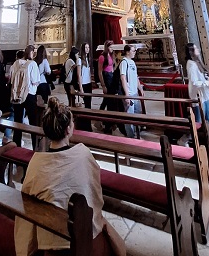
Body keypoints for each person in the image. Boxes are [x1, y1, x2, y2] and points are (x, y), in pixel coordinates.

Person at [14, 96, 126, 256]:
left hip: (52, 243)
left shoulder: (36, 162)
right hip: (86, 238)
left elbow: (27, 202)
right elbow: (95, 194)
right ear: (68, 129)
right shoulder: (83, 154)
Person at [184, 43, 209, 156]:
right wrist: (207, 83)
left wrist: (208, 80)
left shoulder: (197, 62)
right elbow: (194, 82)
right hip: (198, 97)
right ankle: (186, 139)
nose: (198, 49)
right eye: (196, 48)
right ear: (191, 52)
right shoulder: (191, 64)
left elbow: (203, 76)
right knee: (198, 121)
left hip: (205, 95)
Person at [4, 45, 40, 149]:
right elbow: (35, 81)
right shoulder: (32, 64)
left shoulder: (16, 63)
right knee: (33, 122)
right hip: (29, 95)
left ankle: (17, 145)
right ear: (31, 53)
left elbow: (11, 79)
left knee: (17, 121)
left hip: (17, 95)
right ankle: (35, 146)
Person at [120, 45, 143, 138]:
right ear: (127, 52)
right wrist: (127, 95)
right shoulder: (124, 62)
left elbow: (136, 76)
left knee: (138, 112)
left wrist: (140, 88)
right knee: (129, 115)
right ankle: (131, 136)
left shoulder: (132, 62)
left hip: (135, 92)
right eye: (133, 51)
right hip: (129, 93)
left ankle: (138, 133)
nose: (135, 53)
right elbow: (123, 78)